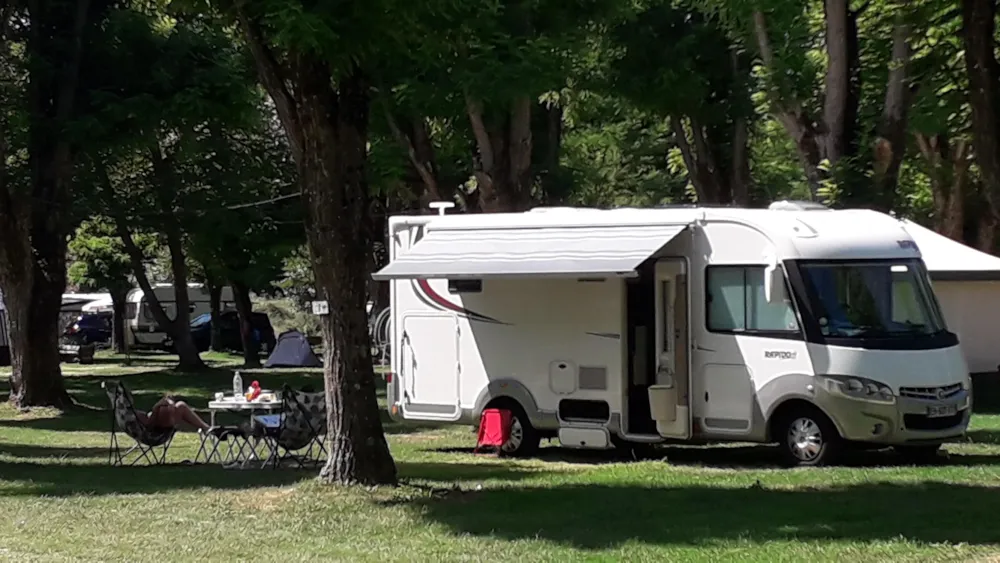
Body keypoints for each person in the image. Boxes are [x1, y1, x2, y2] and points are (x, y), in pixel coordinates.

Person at [137, 394, 211, 433]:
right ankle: (207, 428)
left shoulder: (132, 414)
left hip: (159, 426)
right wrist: (157, 407)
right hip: (157, 429)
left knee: (179, 406)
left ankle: (206, 428)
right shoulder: (134, 415)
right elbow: (149, 424)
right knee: (179, 406)